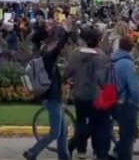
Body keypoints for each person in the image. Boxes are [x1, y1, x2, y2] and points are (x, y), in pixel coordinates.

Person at [23, 25, 69, 160]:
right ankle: (32, 152)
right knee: (56, 132)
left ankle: (63, 156)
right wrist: (67, 33)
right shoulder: (48, 58)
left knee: (63, 131)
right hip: (52, 98)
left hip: (52, 97)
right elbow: (59, 48)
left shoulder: (43, 54)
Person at [65, 27, 111, 160]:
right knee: (96, 123)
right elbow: (105, 77)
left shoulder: (75, 53)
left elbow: (68, 71)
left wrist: (66, 79)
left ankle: (81, 150)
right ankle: (97, 150)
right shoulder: (101, 56)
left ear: (83, 40)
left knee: (80, 121)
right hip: (96, 95)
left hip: (80, 94)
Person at [110, 35, 139, 160]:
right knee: (127, 137)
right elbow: (133, 87)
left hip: (113, 100)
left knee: (126, 133)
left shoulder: (112, 60)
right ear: (132, 47)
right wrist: (138, 100)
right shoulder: (127, 64)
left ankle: (115, 153)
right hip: (125, 102)